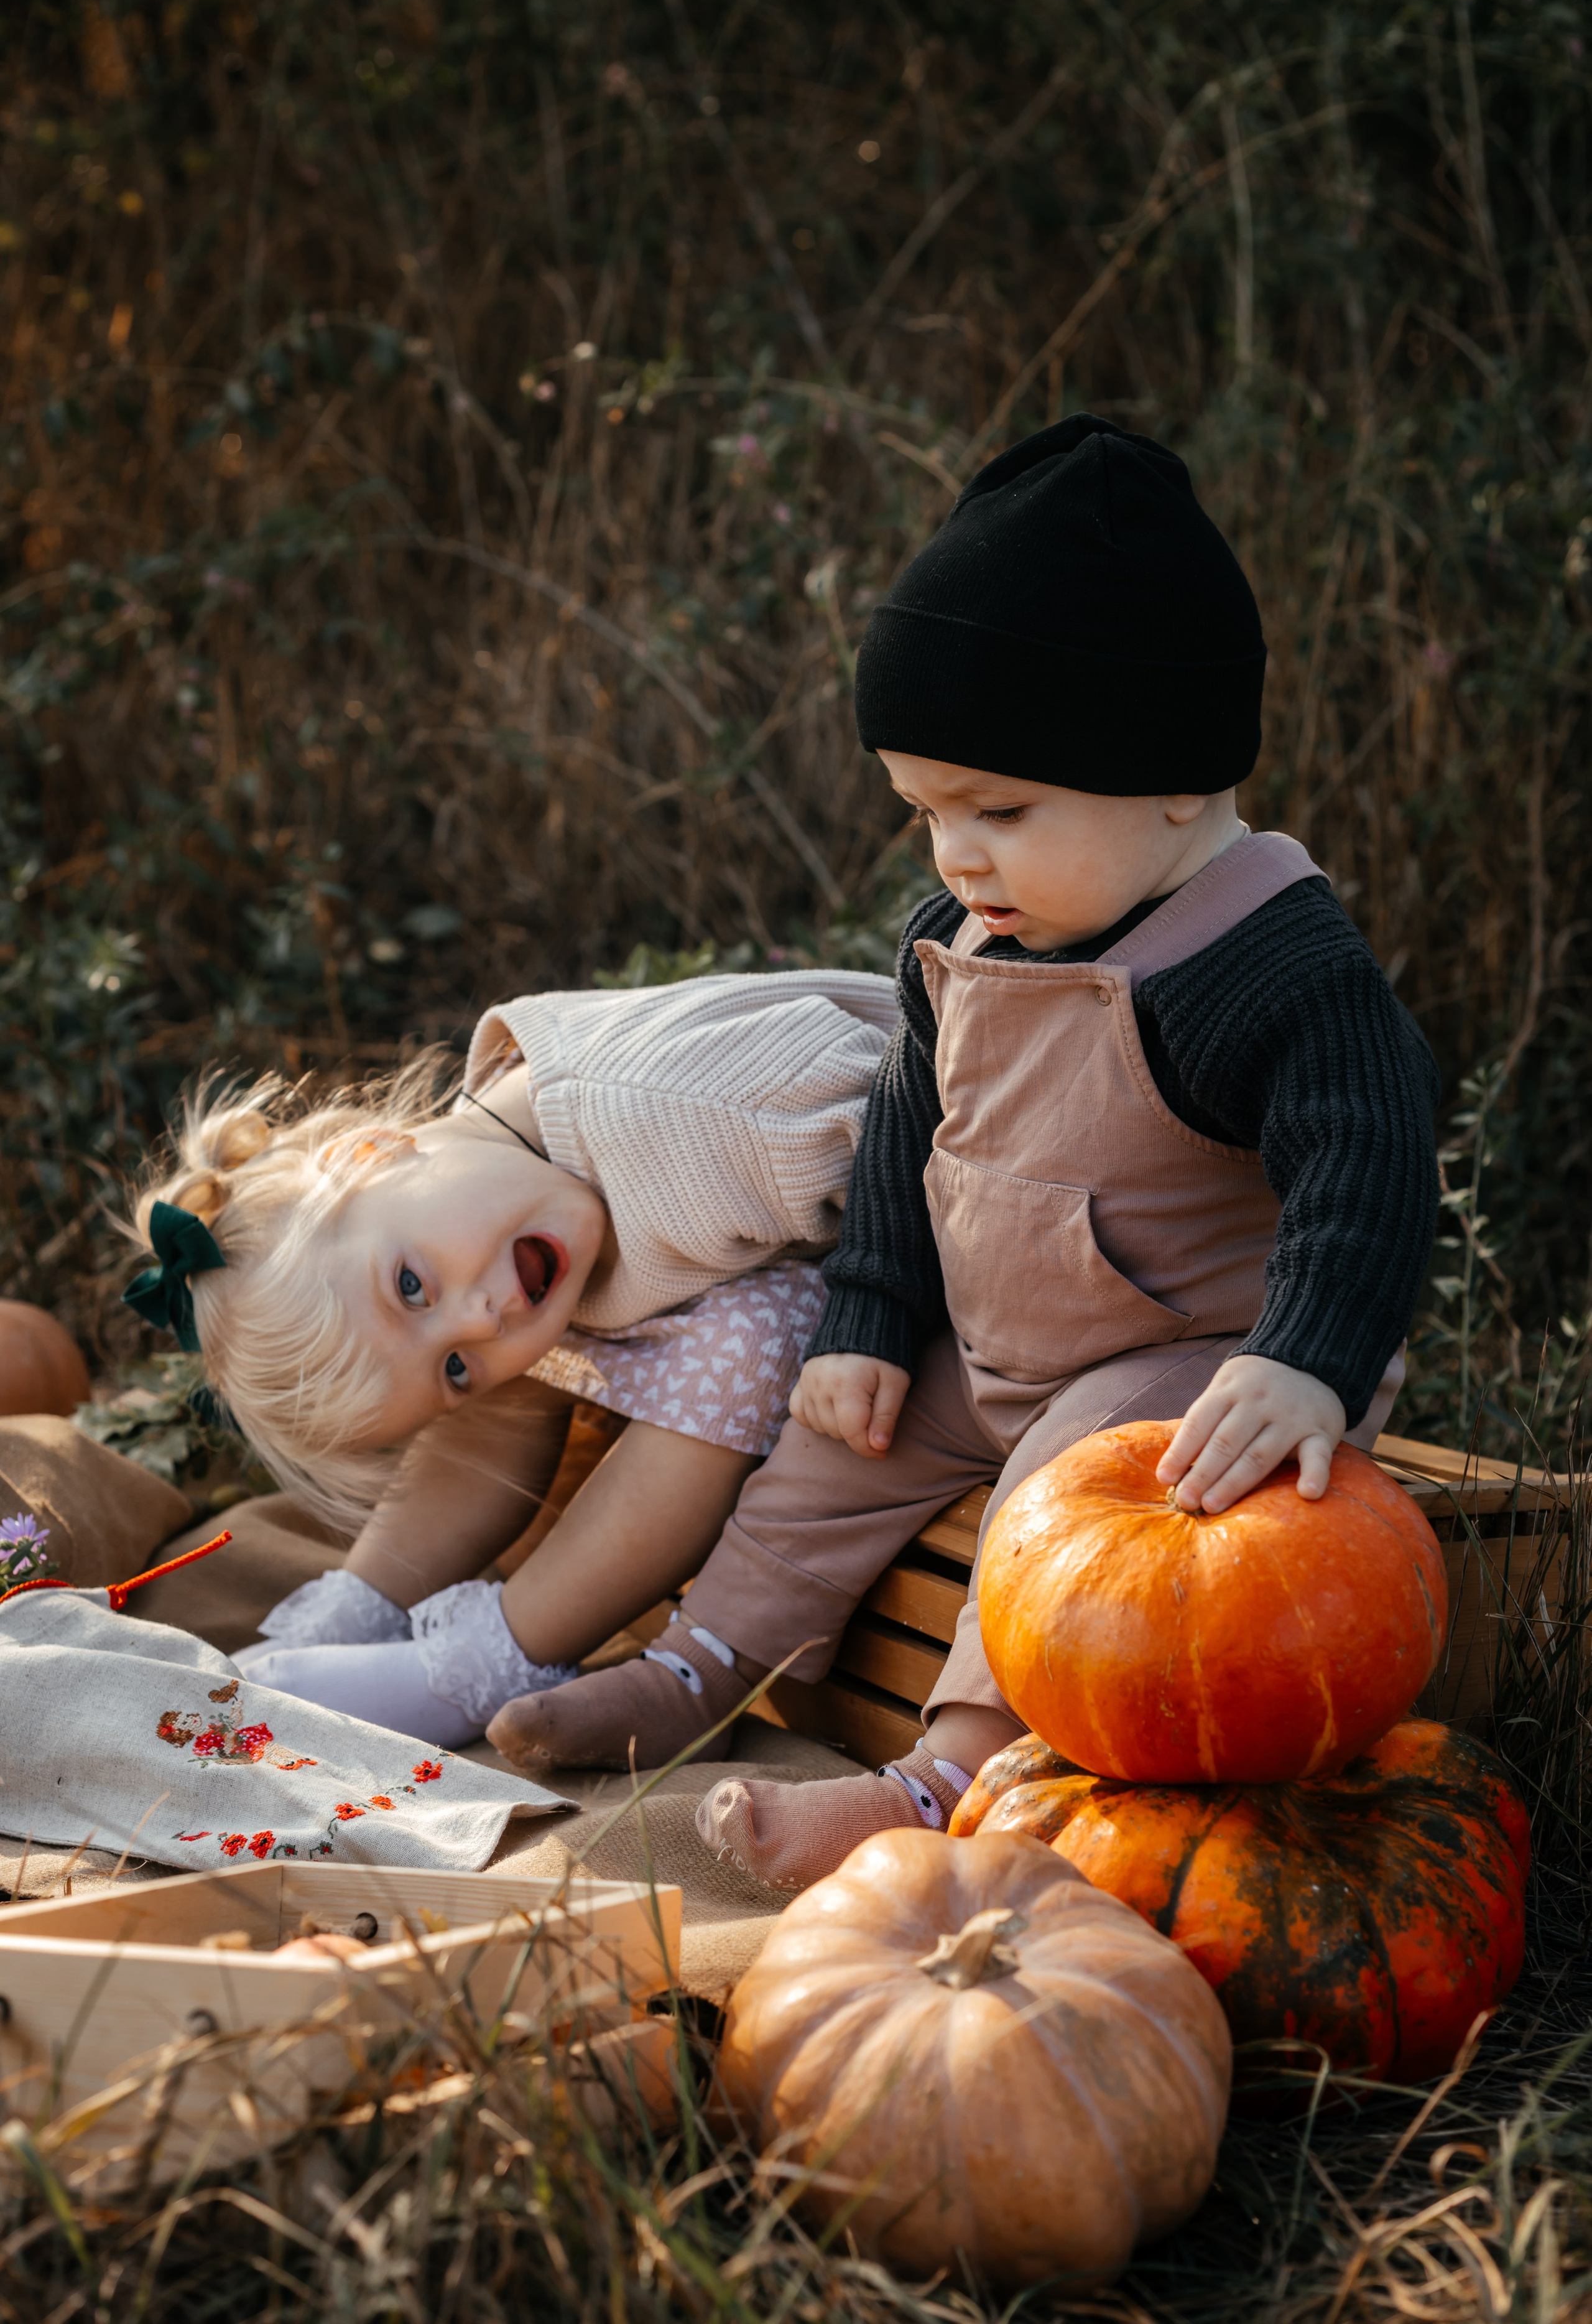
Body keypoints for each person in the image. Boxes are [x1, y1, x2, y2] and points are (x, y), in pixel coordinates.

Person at [493, 414, 1441, 1887]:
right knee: (829, 1441)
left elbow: (1366, 1163)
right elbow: (903, 1128)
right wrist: (871, 1312)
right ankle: (692, 1669)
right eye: (924, 811)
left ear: (1172, 774)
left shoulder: (1268, 968)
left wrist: (1303, 1355)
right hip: (997, 1345)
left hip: (1190, 1365)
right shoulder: (962, 937)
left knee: (1068, 1507)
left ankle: (947, 1776)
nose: (955, 856)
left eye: (997, 810)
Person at [119, 965, 896, 1747]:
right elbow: (483, 1397)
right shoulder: (500, 1196)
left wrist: (874, 1313)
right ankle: (362, 1605)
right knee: (507, 1388)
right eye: (452, 1367)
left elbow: (925, 1116)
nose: (479, 1320)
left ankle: (500, 1654)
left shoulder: (704, 1116)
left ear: (371, 1154)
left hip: (944, 1236)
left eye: (411, 1285)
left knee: (742, 1338)